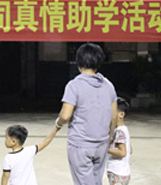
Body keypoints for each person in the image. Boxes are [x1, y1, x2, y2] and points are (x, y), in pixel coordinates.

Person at [55, 43, 118, 185]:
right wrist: (108, 137)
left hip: (80, 144)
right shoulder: (108, 85)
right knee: (96, 181)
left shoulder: (74, 85)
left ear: (78, 62)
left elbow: (65, 116)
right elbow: (114, 116)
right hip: (101, 144)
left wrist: (58, 124)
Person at [107, 97, 132, 185]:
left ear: (121, 115)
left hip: (117, 172)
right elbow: (130, 150)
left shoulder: (119, 132)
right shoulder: (124, 130)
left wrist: (106, 149)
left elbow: (122, 152)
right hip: (124, 172)